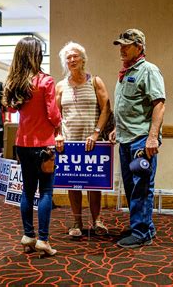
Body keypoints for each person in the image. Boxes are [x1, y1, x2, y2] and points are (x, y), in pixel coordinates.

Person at [2, 37, 64, 257]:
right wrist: (58, 125)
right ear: (36, 54)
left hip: (22, 144)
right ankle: (44, 240)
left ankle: (28, 235)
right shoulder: (45, 81)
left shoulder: (15, 82)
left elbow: (11, 107)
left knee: (28, 191)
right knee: (46, 191)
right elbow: (53, 115)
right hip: (44, 146)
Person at [109, 28, 166, 248]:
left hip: (141, 140)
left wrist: (153, 137)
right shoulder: (125, 73)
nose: (121, 49)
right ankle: (144, 226)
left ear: (139, 47)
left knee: (141, 185)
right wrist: (116, 128)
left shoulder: (148, 71)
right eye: (120, 45)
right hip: (126, 139)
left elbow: (159, 104)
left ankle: (141, 233)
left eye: (126, 44)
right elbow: (127, 106)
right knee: (131, 186)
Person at [55, 41, 111, 237]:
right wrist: (58, 134)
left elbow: (106, 108)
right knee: (73, 183)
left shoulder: (95, 81)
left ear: (83, 59)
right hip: (70, 143)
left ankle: (97, 220)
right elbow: (56, 115)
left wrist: (96, 132)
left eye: (75, 56)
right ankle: (77, 221)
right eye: (68, 57)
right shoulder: (60, 86)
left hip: (92, 141)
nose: (72, 60)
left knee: (94, 184)